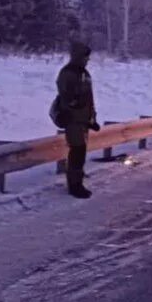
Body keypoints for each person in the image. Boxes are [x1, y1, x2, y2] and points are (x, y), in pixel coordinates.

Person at [57, 42, 100, 199]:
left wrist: (92, 117)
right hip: (72, 118)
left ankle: (78, 182)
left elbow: (89, 97)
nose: (87, 60)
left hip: (83, 118)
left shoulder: (84, 74)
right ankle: (74, 185)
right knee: (77, 151)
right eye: (85, 57)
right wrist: (73, 104)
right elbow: (64, 95)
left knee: (80, 152)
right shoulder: (68, 73)